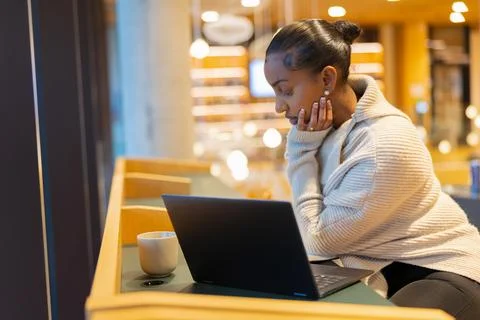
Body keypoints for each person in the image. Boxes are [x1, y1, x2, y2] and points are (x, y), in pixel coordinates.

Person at [264, 19, 480, 319]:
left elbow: (318, 240)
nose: (279, 106)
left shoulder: (383, 144)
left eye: (285, 90)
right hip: (383, 264)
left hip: (445, 268)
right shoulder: (324, 131)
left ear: (327, 79)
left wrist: (300, 149)